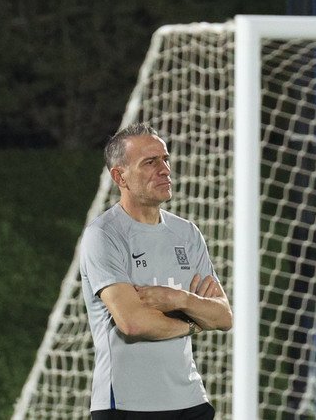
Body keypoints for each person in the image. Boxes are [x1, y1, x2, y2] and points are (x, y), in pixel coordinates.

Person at [80, 122, 233, 419]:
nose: (165, 169)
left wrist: (181, 300)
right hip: (127, 404)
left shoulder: (186, 233)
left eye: (165, 159)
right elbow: (133, 323)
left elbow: (223, 316)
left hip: (189, 400)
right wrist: (193, 323)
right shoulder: (105, 234)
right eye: (150, 162)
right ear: (119, 176)